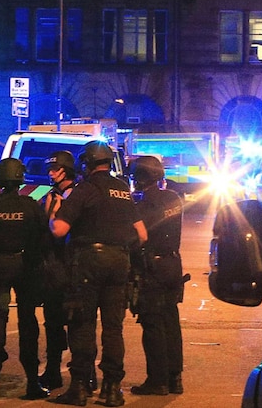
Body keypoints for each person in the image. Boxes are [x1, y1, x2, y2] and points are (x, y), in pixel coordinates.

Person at [49, 141, 148, 407]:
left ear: (87, 163)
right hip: (119, 261)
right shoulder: (122, 189)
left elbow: (58, 230)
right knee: (113, 328)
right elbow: (142, 234)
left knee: (83, 324)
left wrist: (54, 212)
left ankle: (80, 388)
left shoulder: (85, 189)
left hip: (88, 262)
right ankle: (112, 389)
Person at [0, 158, 51, 401]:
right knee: (27, 322)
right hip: (26, 265)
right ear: (20, 178)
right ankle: (32, 383)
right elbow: (43, 238)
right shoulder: (30, 206)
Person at [127, 156, 186, 396]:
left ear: (141, 179)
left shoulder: (142, 206)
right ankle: (175, 378)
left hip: (153, 268)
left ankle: (157, 380)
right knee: (171, 322)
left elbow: (139, 237)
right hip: (173, 265)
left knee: (153, 324)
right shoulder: (174, 198)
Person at [38, 150, 76, 391]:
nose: (51, 173)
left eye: (55, 169)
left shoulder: (78, 195)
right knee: (52, 323)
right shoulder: (50, 194)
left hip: (73, 266)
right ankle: (53, 371)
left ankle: (83, 374)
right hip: (54, 267)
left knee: (78, 323)